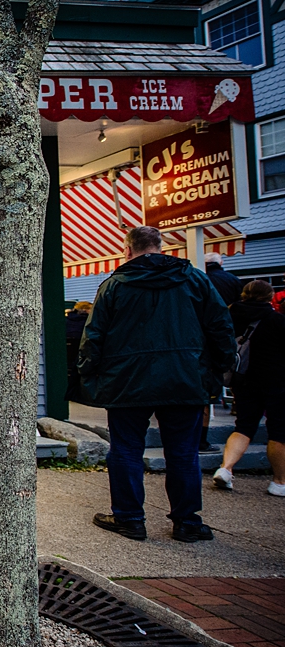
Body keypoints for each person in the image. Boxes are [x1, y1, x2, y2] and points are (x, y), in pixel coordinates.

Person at [78, 226, 235, 543]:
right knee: (183, 452)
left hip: (128, 381)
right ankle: (187, 522)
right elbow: (221, 326)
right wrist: (217, 368)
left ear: (128, 248)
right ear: (162, 248)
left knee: (125, 449)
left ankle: (129, 517)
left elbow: (93, 336)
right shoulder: (194, 279)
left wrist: (87, 372)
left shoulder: (114, 286)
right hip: (184, 377)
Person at [212, 280, 285, 495]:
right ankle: (279, 482)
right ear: (270, 297)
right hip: (276, 382)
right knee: (278, 431)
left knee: (243, 426)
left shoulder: (229, 315)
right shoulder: (277, 320)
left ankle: (225, 469)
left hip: (242, 379)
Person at [64, 301, 92, 404]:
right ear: (85, 310)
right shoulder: (87, 321)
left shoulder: (66, 320)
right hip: (80, 353)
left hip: (67, 353)